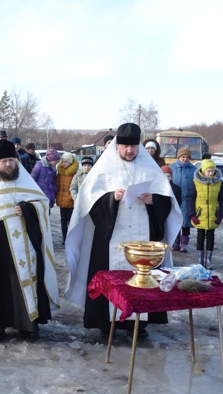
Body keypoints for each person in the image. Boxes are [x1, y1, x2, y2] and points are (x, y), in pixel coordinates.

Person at [65, 123, 181, 338]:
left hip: (142, 237)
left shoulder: (149, 167)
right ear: (117, 146)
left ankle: (136, 323)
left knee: (141, 276)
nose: (130, 150)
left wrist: (152, 200)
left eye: (134, 146)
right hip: (109, 238)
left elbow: (168, 202)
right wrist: (111, 198)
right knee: (109, 276)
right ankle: (106, 323)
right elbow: (87, 202)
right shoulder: (103, 168)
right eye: (125, 146)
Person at [0, 139, 59, 343]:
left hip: (26, 246)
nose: (9, 165)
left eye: (11, 160)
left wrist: (28, 209)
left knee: (28, 283)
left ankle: (28, 325)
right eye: (4, 161)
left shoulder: (25, 181)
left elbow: (42, 204)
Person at [186, 158, 223, 269]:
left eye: (212, 171)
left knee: (211, 237)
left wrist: (221, 214)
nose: (211, 173)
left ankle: (208, 260)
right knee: (200, 237)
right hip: (200, 214)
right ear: (203, 171)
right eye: (208, 171)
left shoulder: (219, 183)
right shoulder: (195, 182)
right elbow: (190, 198)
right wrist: (192, 214)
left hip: (213, 215)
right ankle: (200, 260)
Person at [170, 147, 198, 252]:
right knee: (176, 221)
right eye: (183, 157)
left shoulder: (194, 170)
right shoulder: (172, 167)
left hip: (188, 199)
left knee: (186, 223)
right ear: (179, 157)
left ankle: (184, 243)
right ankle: (175, 242)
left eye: (187, 157)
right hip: (176, 198)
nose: (185, 159)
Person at [55, 152, 78, 243]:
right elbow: (57, 185)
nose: (63, 163)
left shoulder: (74, 173)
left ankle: (70, 238)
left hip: (71, 200)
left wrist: (71, 197)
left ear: (71, 163)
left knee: (70, 221)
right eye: (62, 161)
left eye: (66, 162)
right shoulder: (60, 173)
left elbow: (75, 187)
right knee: (63, 220)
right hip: (62, 200)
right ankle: (64, 237)